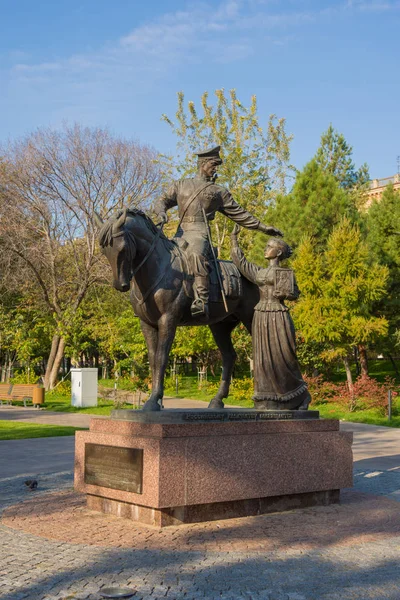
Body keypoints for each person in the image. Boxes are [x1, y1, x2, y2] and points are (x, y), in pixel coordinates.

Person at [153, 146, 283, 318]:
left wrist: (263, 227)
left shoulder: (218, 191)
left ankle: (201, 299)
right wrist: (161, 212)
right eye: (213, 164)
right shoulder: (181, 184)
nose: (215, 168)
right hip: (180, 232)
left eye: (216, 165)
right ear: (202, 163)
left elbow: (240, 213)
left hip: (200, 233)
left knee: (196, 254)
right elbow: (161, 201)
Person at [230, 226, 310, 410]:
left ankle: (299, 396)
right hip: (261, 316)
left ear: (278, 252)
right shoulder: (259, 272)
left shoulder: (284, 273)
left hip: (278, 316)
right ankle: (267, 399)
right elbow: (240, 262)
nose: (265, 249)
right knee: (263, 359)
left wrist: (288, 292)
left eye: (269, 246)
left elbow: (293, 293)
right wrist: (234, 239)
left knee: (283, 357)